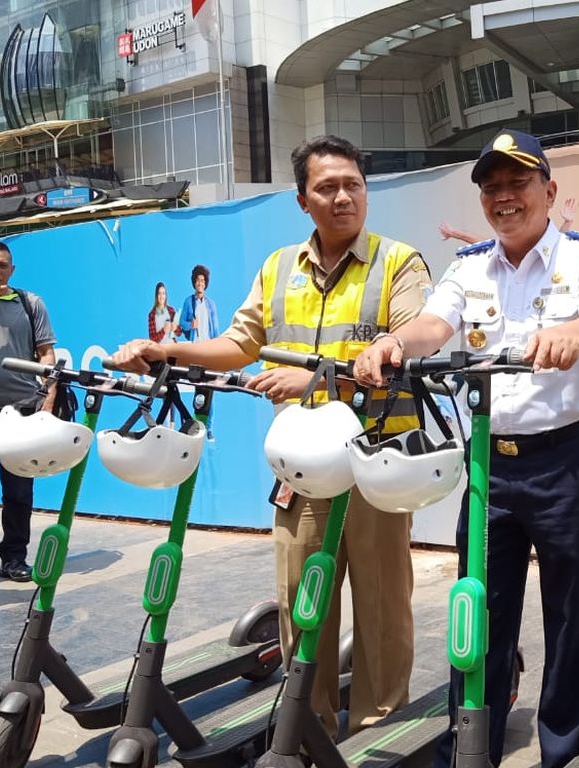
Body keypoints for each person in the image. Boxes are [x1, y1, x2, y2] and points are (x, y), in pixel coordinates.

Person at [111, 134, 429, 736]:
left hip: (375, 466)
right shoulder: (279, 267)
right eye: (327, 187)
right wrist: (167, 349)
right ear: (301, 199)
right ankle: (306, 734)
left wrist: (311, 379)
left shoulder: (399, 262)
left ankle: (377, 739)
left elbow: (405, 346)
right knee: (301, 606)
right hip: (303, 468)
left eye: (353, 185)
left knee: (384, 608)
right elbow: (238, 344)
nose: (343, 198)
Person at [354, 129, 579, 768]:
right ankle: (467, 761)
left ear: (549, 192)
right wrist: (392, 342)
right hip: (490, 472)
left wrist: (570, 333)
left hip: (567, 465)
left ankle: (565, 766)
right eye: (492, 186)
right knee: (479, 614)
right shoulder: (469, 267)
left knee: (572, 620)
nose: (505, 197)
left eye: (518, 182)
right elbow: (433, 325)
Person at [0, 240, 57, 584]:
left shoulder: (30, 303)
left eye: (2, 265)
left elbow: (46, 355)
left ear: (12, 269)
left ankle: (14, 559)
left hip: (20, 411)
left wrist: (47, 399)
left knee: (19, 492)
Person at [438, 195, 579, 245]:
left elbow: (559, 243)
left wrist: (567, 222)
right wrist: (453, 233)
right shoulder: (506, 251)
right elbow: (483, 243)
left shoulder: (545, 247)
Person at [177, 264, 218, 342]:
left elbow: (215, 328)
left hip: (208, 343)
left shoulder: (211, 304)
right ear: (194, 282)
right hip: (195, 343)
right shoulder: (188, 301)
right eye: (198, 280)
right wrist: (190, 325)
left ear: (205, 284)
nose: (200, 283)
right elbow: (182, 322)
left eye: (202, 281)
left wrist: (217, 345)